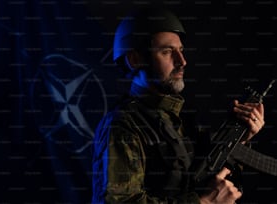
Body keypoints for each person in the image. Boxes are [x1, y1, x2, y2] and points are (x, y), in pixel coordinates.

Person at [92, 7, 265, 204]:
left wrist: (240, 139)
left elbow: (203, 179)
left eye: (181, 51)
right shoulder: (123, 125)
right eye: (167, 52)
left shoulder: (180, 119)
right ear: (134, 59)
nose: (182, 61)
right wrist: (204, 202)